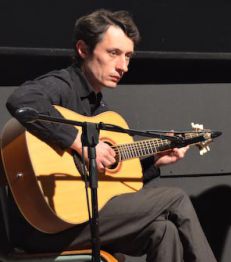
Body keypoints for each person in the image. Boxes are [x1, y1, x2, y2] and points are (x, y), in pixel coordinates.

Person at [5, 9, 216, 262]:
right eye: (114, 53)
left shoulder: (101, 111)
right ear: (83, 50)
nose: (123, 66)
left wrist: (154, 161)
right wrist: (79, 142)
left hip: (81, 219)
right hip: (44, 226)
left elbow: (109, 184)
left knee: (163, 230)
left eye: (128, 56)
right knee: (176, 198)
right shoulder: (64, 85)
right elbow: (22, 100)